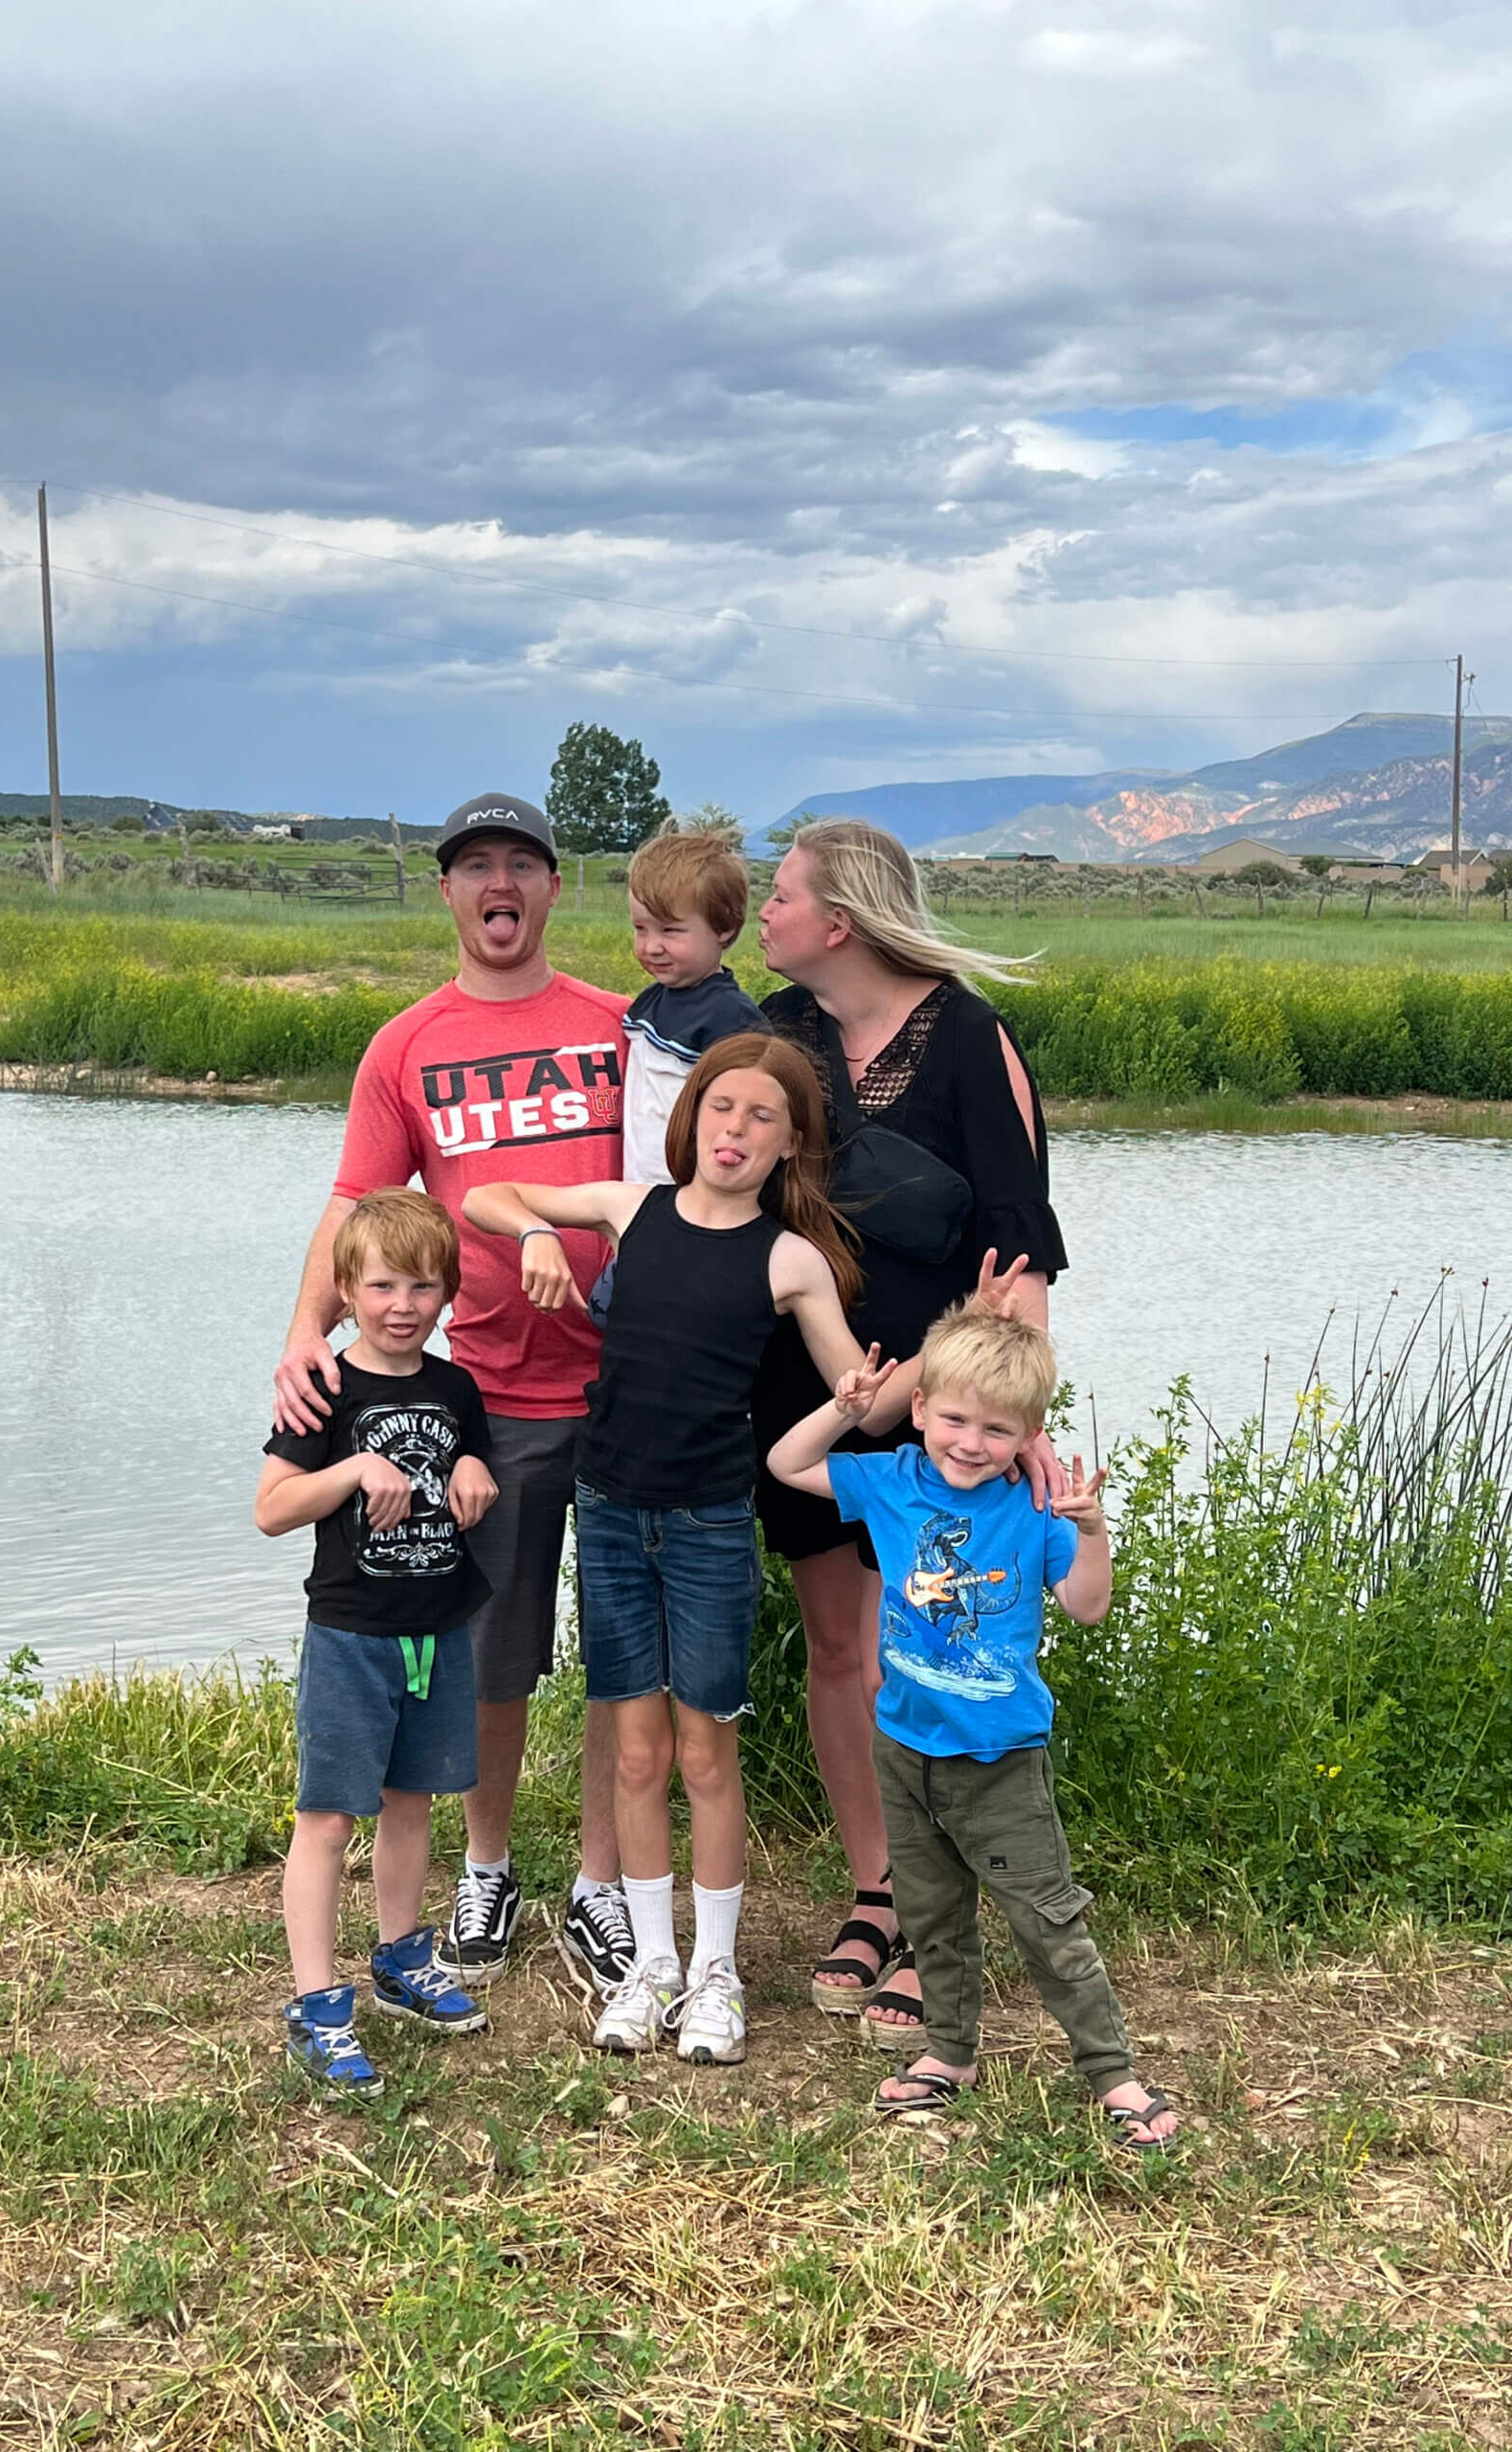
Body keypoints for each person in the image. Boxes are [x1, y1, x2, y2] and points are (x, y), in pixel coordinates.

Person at [272, 791, 638, 2000]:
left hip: (633, 1387)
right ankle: (488, 1863)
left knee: (625, 1654)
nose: (500, 883)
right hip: (487, 1398)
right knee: (491, 1650)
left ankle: (602, 1880)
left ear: (551, 886)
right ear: (447, 891)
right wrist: (300, 1330)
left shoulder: (620, 1028)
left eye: (521, 864)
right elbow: (355, 1206)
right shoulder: (406, 1043)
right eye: (475, 865)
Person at [466, 1034, 879, 2066]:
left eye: (762, 1119)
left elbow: (856, 1396)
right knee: (635, 1752)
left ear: (790, 1147)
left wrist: (937, 1365)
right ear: (690, 1116)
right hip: (608, 1513)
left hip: (705, 1526)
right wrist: (534, 1236)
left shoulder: (790, 1258)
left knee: (704, 1752)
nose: (736, 1130)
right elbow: (486, 1194)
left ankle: (717, 1974)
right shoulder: (628, 1207)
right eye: (722, 1108)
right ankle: (650, 1967)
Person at [753, 818, 1070, 2035]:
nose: (764, 917)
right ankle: (878, 1892)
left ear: (839, 921)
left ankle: (947, 1910)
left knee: (941, 1632)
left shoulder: (975, 1040)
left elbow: (1020, 1247)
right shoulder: (781, 1032)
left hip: (943, 1413)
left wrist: (1018, 1413)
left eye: (780, 896)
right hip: (808, 1391)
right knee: (843, 1644)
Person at [769, 1299, 1178, 2148]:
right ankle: (950, 2054)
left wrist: (1091, 1531)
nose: (969, 1441)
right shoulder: (888, 1480)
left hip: (1000, 1761)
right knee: (931, 1916)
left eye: (997, 1429)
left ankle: (1114, 2073)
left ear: (1029, 1434)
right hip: (903, 1749)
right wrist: (845, 1409)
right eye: (952, 1417)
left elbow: (1089, 1608)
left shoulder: (1034, 1512)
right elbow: (785, 1462)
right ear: (918, 1410)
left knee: (1046, 1921)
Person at [259, 1190, 500, 2097]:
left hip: (438, 1629)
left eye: (423, 1287)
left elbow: (470, 1462)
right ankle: (316, 2003)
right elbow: (271, 1509)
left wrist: (477, 1466)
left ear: (448, 1296)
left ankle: (402, 1958)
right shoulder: (323, 1387)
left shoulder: (454, 1387)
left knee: (413, 1802)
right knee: (327, 1818)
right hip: (352, 1633)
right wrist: (353, 1468)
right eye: (384, 1285)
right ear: (348, 1290)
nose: (403, 1305)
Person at [584, 827, 768, 1326]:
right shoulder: (651, 1003)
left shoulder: (731, 1021)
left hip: (694, 1209)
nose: (652, 947)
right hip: (641, 1204)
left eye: (670, 931)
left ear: (724, 927)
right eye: (641, 930)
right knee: (608, 1319)